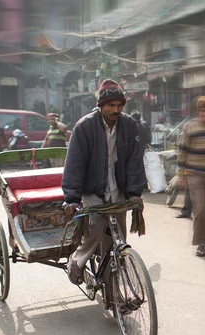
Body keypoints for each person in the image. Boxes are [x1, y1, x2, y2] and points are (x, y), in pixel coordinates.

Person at [61, 79, 146, 285]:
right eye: (111, 105)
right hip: (92, 189)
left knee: (119, 237)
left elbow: (135, 160)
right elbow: (75, 164)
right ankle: (78, 260)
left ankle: (112, 285)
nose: (116, 110)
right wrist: (72, 198)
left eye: (120, 105)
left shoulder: (128, 125)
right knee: (96, 226)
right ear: (100, 106)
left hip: (118, 187)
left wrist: (135, 193)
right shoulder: (85, 127)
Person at [175, 96, 205, 257]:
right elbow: (182, 151)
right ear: (198, 111)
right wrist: (180, 174)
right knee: (201, 209)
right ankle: (200, 243)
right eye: (203, 110)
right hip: (195, 174)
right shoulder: (189, 128)